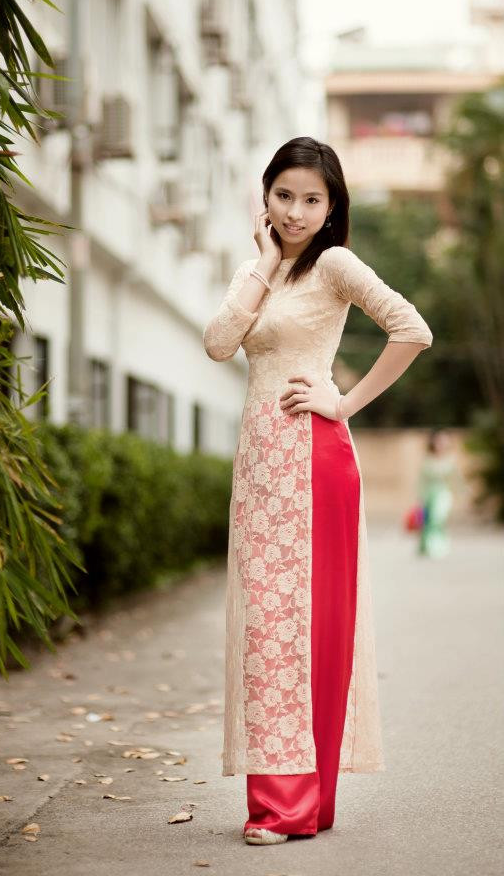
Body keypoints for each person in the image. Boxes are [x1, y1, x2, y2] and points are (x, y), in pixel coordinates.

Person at [202, 136, 433, 846]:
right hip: (259, 469)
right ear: (265, 197)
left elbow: (411, 329)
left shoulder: (335, 265)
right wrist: (265, 265)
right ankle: (297, 799)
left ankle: (290, 805)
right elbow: (218, 344)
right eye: (284, 195)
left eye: (311, 199)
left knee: (297, 625)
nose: (295, 212)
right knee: (265, 626)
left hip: (312, 459)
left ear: (332, 208)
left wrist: (344, 402)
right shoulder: (257, 272)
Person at [417, 428, 457, 560]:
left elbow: (457, 480)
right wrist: (419, 498)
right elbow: (421, 481)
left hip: (443, 495)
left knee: (438, 518)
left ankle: (438, 546)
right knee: (427, 520)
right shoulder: (428, 460)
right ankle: (427, 545)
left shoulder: (450, 460)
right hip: (429, 494)